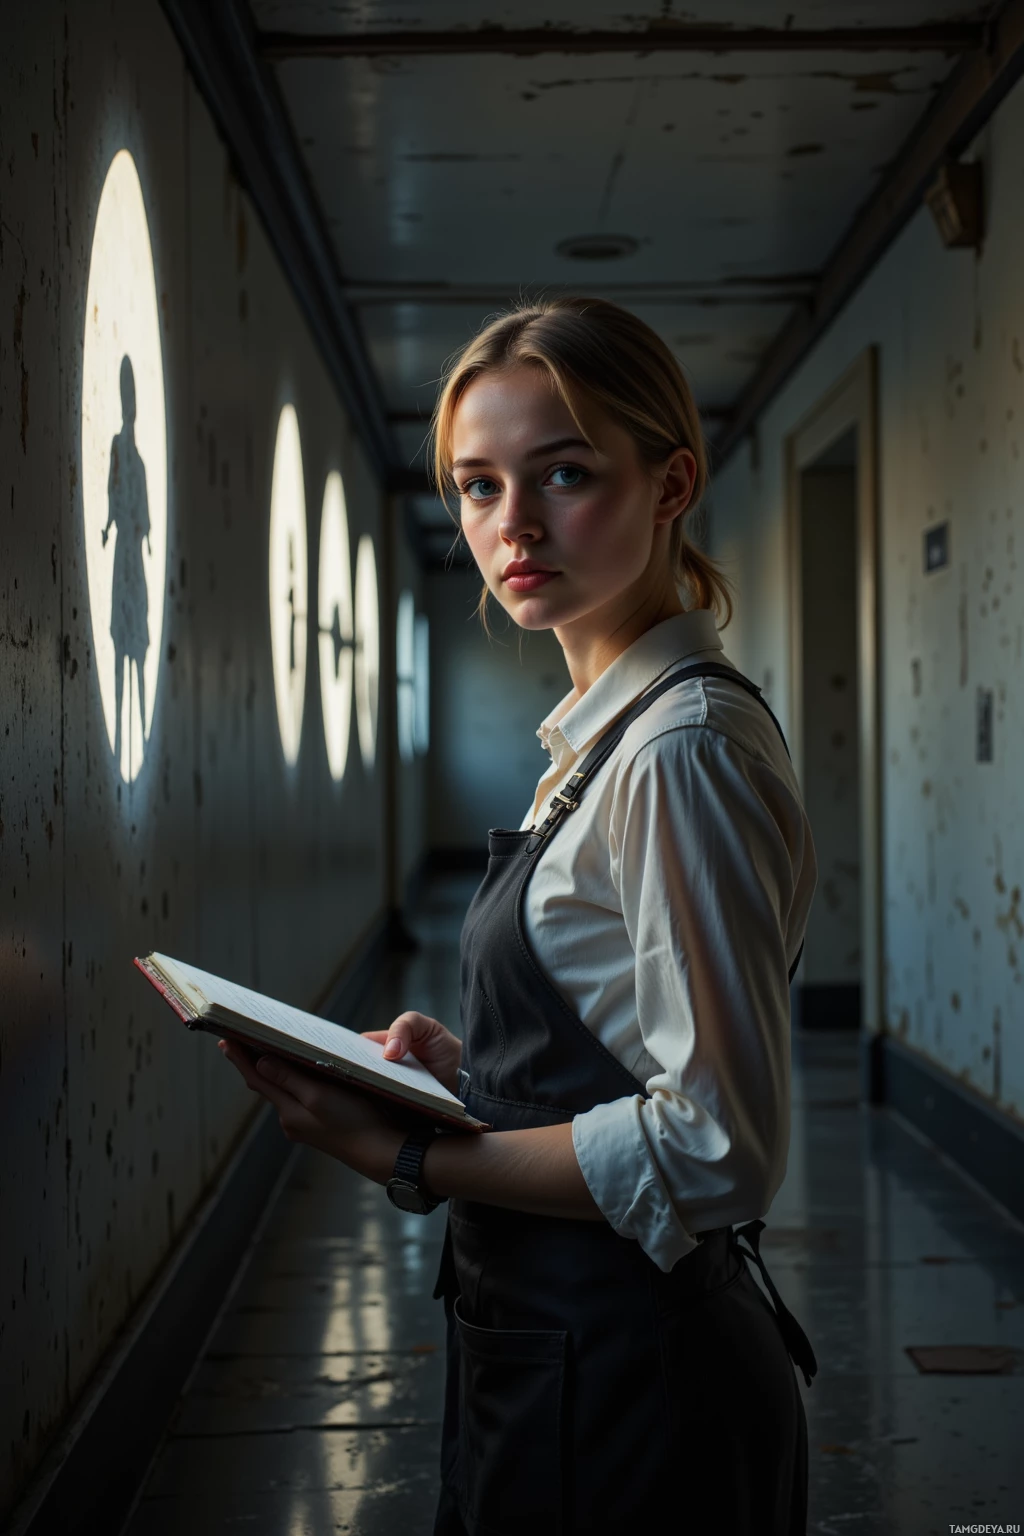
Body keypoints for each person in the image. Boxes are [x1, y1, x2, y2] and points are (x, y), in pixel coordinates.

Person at [221, 296, 819, 1535]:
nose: (514, 527)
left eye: (565, 474)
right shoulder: (604, 738)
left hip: (630, 1385)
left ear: (672, 483)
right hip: (555, 1349)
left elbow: (717, 1144)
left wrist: (411, 1154)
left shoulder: (676, 752)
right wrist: (471, 1078)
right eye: (477, 486)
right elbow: (624, 1038)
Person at [102, 354, 151, 769]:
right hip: (124, 555)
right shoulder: (120, 448)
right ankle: (120, 729)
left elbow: (143, 513)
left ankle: (143, 729)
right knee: (122, 640)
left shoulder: (138, 458)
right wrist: (109, 525)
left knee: (138, 642)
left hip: (132, 555)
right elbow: (111, 492)